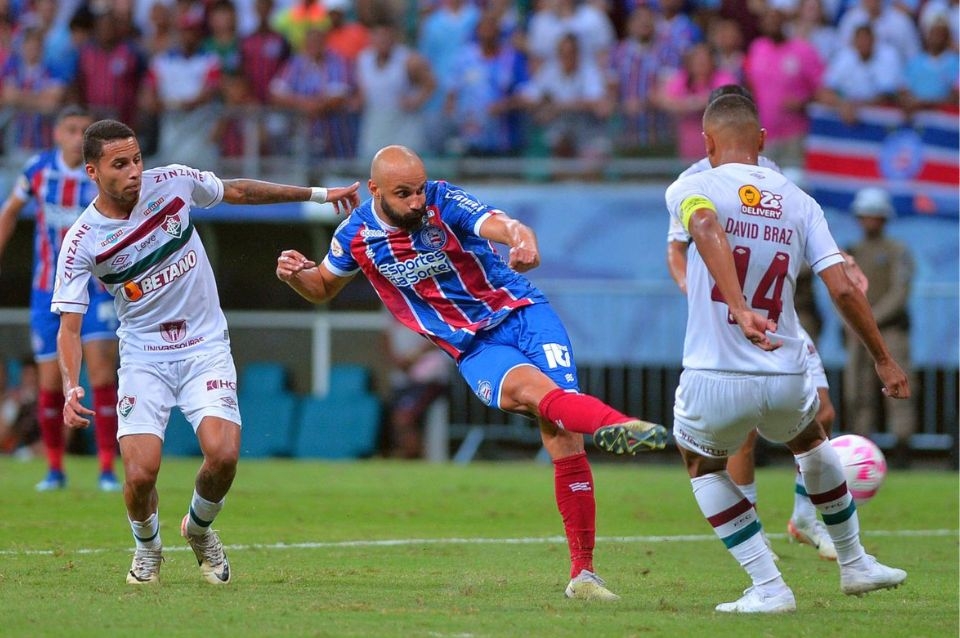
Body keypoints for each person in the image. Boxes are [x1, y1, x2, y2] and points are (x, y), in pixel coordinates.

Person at [276, 144, 667, 601]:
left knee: (563, 432)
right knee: (541, 399)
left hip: (524, 313)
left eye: (420, 189)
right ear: (376, 190)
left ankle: (583, 575)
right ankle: (616, 425)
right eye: (404, 194)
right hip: (475, 346)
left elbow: (502, 225)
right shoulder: (355, 235)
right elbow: (323, 286)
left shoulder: (443, 200)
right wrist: (294, 276)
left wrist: (522, 239)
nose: (417, 202)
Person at [51, 118, 361, 586]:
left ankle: (198, 529)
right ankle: (147, 547)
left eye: (137, 159)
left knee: (224, 455)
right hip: (144, 356)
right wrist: (70, 385)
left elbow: (239, 191)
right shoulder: (82, 240)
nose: (134, 171)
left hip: (204, 345)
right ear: (92, 171)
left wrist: (318, 195)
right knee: (140, 475)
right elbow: (69, 327)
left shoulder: (173, 183)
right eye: (120, 164)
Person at [664, 93, 908, 613]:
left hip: (716, 372)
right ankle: (855, 562)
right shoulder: (800, 201)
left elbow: (703, 227)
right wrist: (883, 358)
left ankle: (769, 587)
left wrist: (737, 306)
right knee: (812, 441)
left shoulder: (690, 187)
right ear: (761, 140)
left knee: (702, 465)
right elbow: (843, 289)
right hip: (785, 369)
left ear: (707, 143)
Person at [0, 105, 122, 492]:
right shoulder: (38, 171)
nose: (77, 137)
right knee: (51, 383)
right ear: (56, 133)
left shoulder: (101, 173)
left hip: (96, 289)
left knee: (101, 372)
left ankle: (107, 469)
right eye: (71, 129)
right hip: (47, 291)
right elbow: (10, 211)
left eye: (84, 130)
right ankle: (54, 469)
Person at [844, 186, 916, 468]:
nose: (869, 220)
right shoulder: (852, 252)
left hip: (890, 330)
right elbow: (841, 292)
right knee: (857, 393)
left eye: (874, 215)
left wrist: (869, 319)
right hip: (858, 331)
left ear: (884, 218)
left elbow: (900, 292)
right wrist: (854, 322)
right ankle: (862, 452)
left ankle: (902, 450)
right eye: (865, 215)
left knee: (898, 390)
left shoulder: (897, 251)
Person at [383, 314, 452, 458]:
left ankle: (415, 458)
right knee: (397, 420)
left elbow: (441, 336)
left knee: (404, 418)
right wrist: (398, 361)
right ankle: (410, 456)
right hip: (403, 378)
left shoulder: (430, 304)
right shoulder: (388, 304)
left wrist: (413, 356)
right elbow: (385, 335)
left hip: (429, 377)